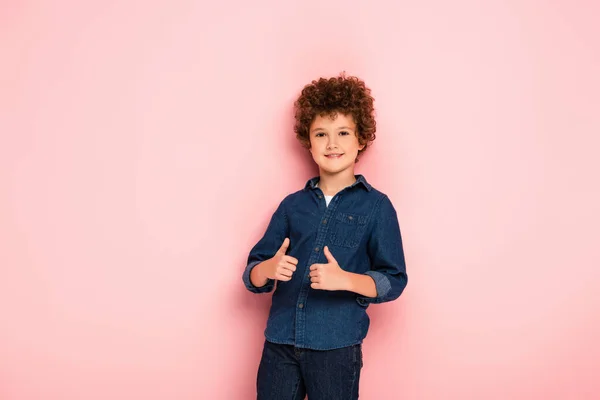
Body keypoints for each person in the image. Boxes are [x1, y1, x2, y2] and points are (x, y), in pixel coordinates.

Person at [242, 73, 408, 399]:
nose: (332, 143)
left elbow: (394, 279)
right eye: (321, 134)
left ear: (361, 139)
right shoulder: (292, 206)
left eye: (343, 132)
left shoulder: (377, 207)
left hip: (336, 348)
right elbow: (252, 274)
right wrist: (268, 269)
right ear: (309, 142)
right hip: (280, 344)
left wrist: (346, 279)